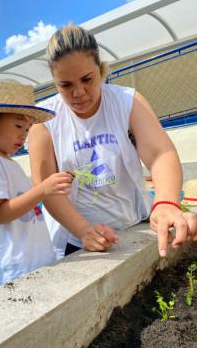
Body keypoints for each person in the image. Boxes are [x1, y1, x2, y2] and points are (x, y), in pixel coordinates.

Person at [29, 25, 197, 260]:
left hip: (132, 224)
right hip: (76, 239)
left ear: (100, 69)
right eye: (65, 85)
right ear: (55, 82)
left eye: (87, 79)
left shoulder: (127, 101)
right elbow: (47, 189)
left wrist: (166, 201)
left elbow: (160, 153)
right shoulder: (43, 119)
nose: (78, 93)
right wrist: (84, 230)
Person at [0, 78, 73, 290]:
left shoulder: (6, 161)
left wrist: (45, 190)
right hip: (15, 270)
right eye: (18, 125)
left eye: (27, 129)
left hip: (33, 261)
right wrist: (43, 189)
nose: (24, 135)